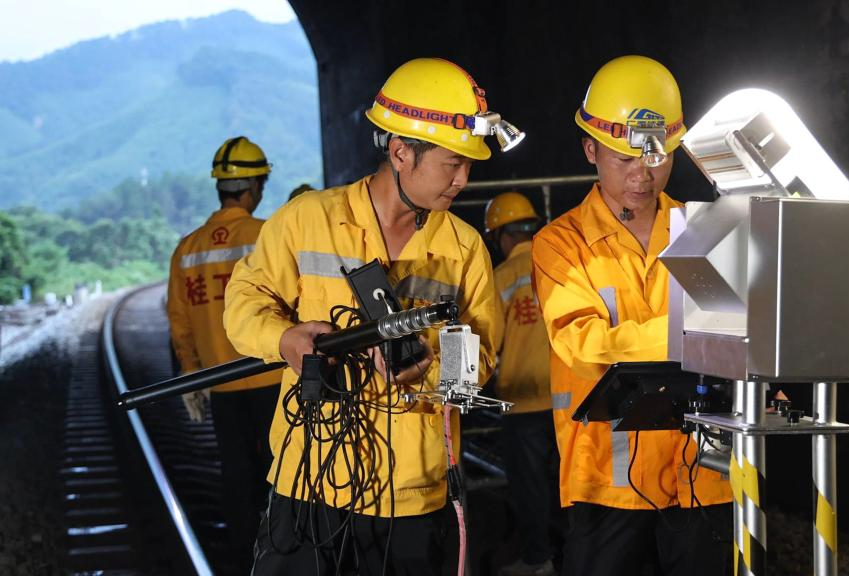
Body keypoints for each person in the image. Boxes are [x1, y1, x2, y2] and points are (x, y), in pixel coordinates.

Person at [223, 58, 515, 576]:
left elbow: (479, 360)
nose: (463, 180)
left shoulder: (463, 248)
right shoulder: (307, 220)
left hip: (414, 499)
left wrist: (427, 369)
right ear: (401, 152)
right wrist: (284, 339)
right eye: (452, 164)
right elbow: (244, 304)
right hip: (310, 485)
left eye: (469, 165)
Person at [531, 55, 733, 576]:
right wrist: (690, 336)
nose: (643, 175)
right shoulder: (562, 244)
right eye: (624, 158)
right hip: (608, 480)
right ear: (590, 150)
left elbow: (733, 337)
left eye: (657, 157)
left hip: (702, 473)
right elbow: (583, 343)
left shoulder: (700, 230)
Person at [166, 135, 281, 573]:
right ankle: (283, 555)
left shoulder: (188, 249)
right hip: (273, 376)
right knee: (282, 472)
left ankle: (241, 559)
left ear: (221, 187)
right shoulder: (268, 235)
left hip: (220, 383)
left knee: (235, 475)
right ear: (253, 187)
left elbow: (179, 320)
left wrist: (190, 374)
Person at [485, 192, 560, 576]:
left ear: (501, 235)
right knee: (568, 484)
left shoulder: (500, 278)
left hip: (521, 401)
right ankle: (575, 557)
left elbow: (488, 343)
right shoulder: (558, 265)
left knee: (531, 489)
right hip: (569, 400)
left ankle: (538, 560)